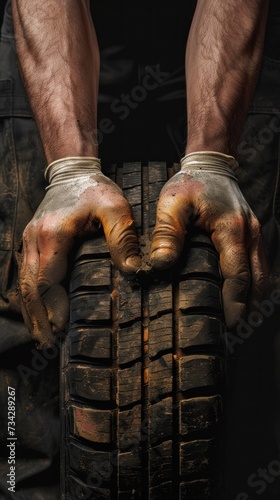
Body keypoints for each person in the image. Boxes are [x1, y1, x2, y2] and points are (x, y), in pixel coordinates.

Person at [0, 0, 275, 498]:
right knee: (33, 322)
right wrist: (69, 171)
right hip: (51, 27)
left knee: (249, 316)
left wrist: (213, 158)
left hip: (232, 31)